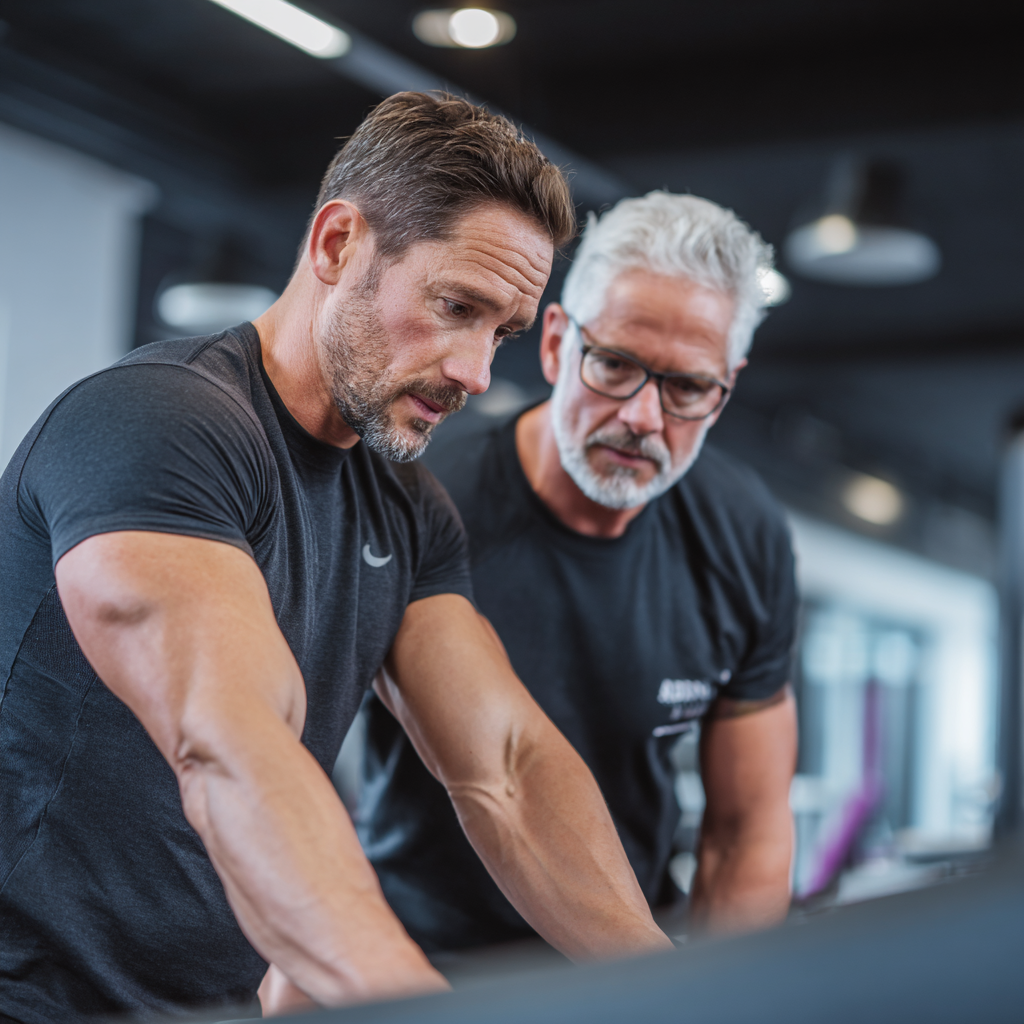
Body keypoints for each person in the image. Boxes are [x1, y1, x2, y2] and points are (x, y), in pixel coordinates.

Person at [0, 94, 673, 1024]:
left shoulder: (405, 508)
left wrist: (679, 990)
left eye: (502, 332)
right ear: (336, 244)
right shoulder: (159, 425)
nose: (477, 371)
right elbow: (231, 741)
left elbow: (507, 770)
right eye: (455, 306)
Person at [359, 191, 799, 954]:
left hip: (627, 960)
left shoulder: (744, 535)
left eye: (687, 387)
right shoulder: (420, 502)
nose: (642, 417)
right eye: (616, 365)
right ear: (558, 344)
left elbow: (747, 830)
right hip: (423, 960)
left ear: (725, 389)